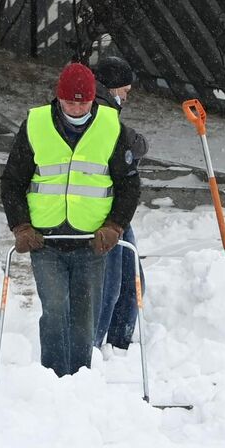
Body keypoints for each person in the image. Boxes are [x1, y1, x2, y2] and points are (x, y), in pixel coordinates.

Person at [0, 61, 142, 377]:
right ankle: (52, 378)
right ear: (58, 96)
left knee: (83, 316)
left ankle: (79, 381)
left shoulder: (111, 128)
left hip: (91, 243)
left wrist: (114, 226)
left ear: (94, 98)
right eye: (69, 100)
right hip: (45, 241)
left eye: (83, 101)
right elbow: (12, 180)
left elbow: (129, 185)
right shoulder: (36, 125)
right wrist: (21, 226)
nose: (76, 107)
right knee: (55, 310)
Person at [92, 55, 145, 352]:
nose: (126, 95)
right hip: (103, 209)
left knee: (127, 279)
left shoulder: (105, 109)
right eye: (124, 89)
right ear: (111, 87)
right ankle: (98, 346)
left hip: (114, 208)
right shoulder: (100, 112)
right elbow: (133, 144)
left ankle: (114, 344)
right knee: (112, 286)